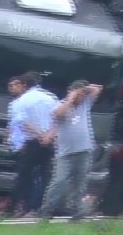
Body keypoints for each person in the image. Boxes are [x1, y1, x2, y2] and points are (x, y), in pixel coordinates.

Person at [38, 80, 103, 221]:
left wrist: (83, 89)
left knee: (80, 184)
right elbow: (60, 114)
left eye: (82, 95)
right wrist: (71, 97)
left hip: (84, 151)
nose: (80, 97)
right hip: (65, 154)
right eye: (78, 95)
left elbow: (98, 89)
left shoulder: (85, 104)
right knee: (59, 182)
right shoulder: (60, 105)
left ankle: (77, 213)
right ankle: (46, 212)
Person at [6, 73, 56, 217]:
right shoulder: (51, 97)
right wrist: (48, 136)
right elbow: (59, 118)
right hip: (48, 142)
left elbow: (22, 123)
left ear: (24, 85)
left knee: (23, 176)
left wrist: (38, 134)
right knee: (45, 177)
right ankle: (39, 208)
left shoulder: (21, 101)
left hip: (30, 142)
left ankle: (16, 207)